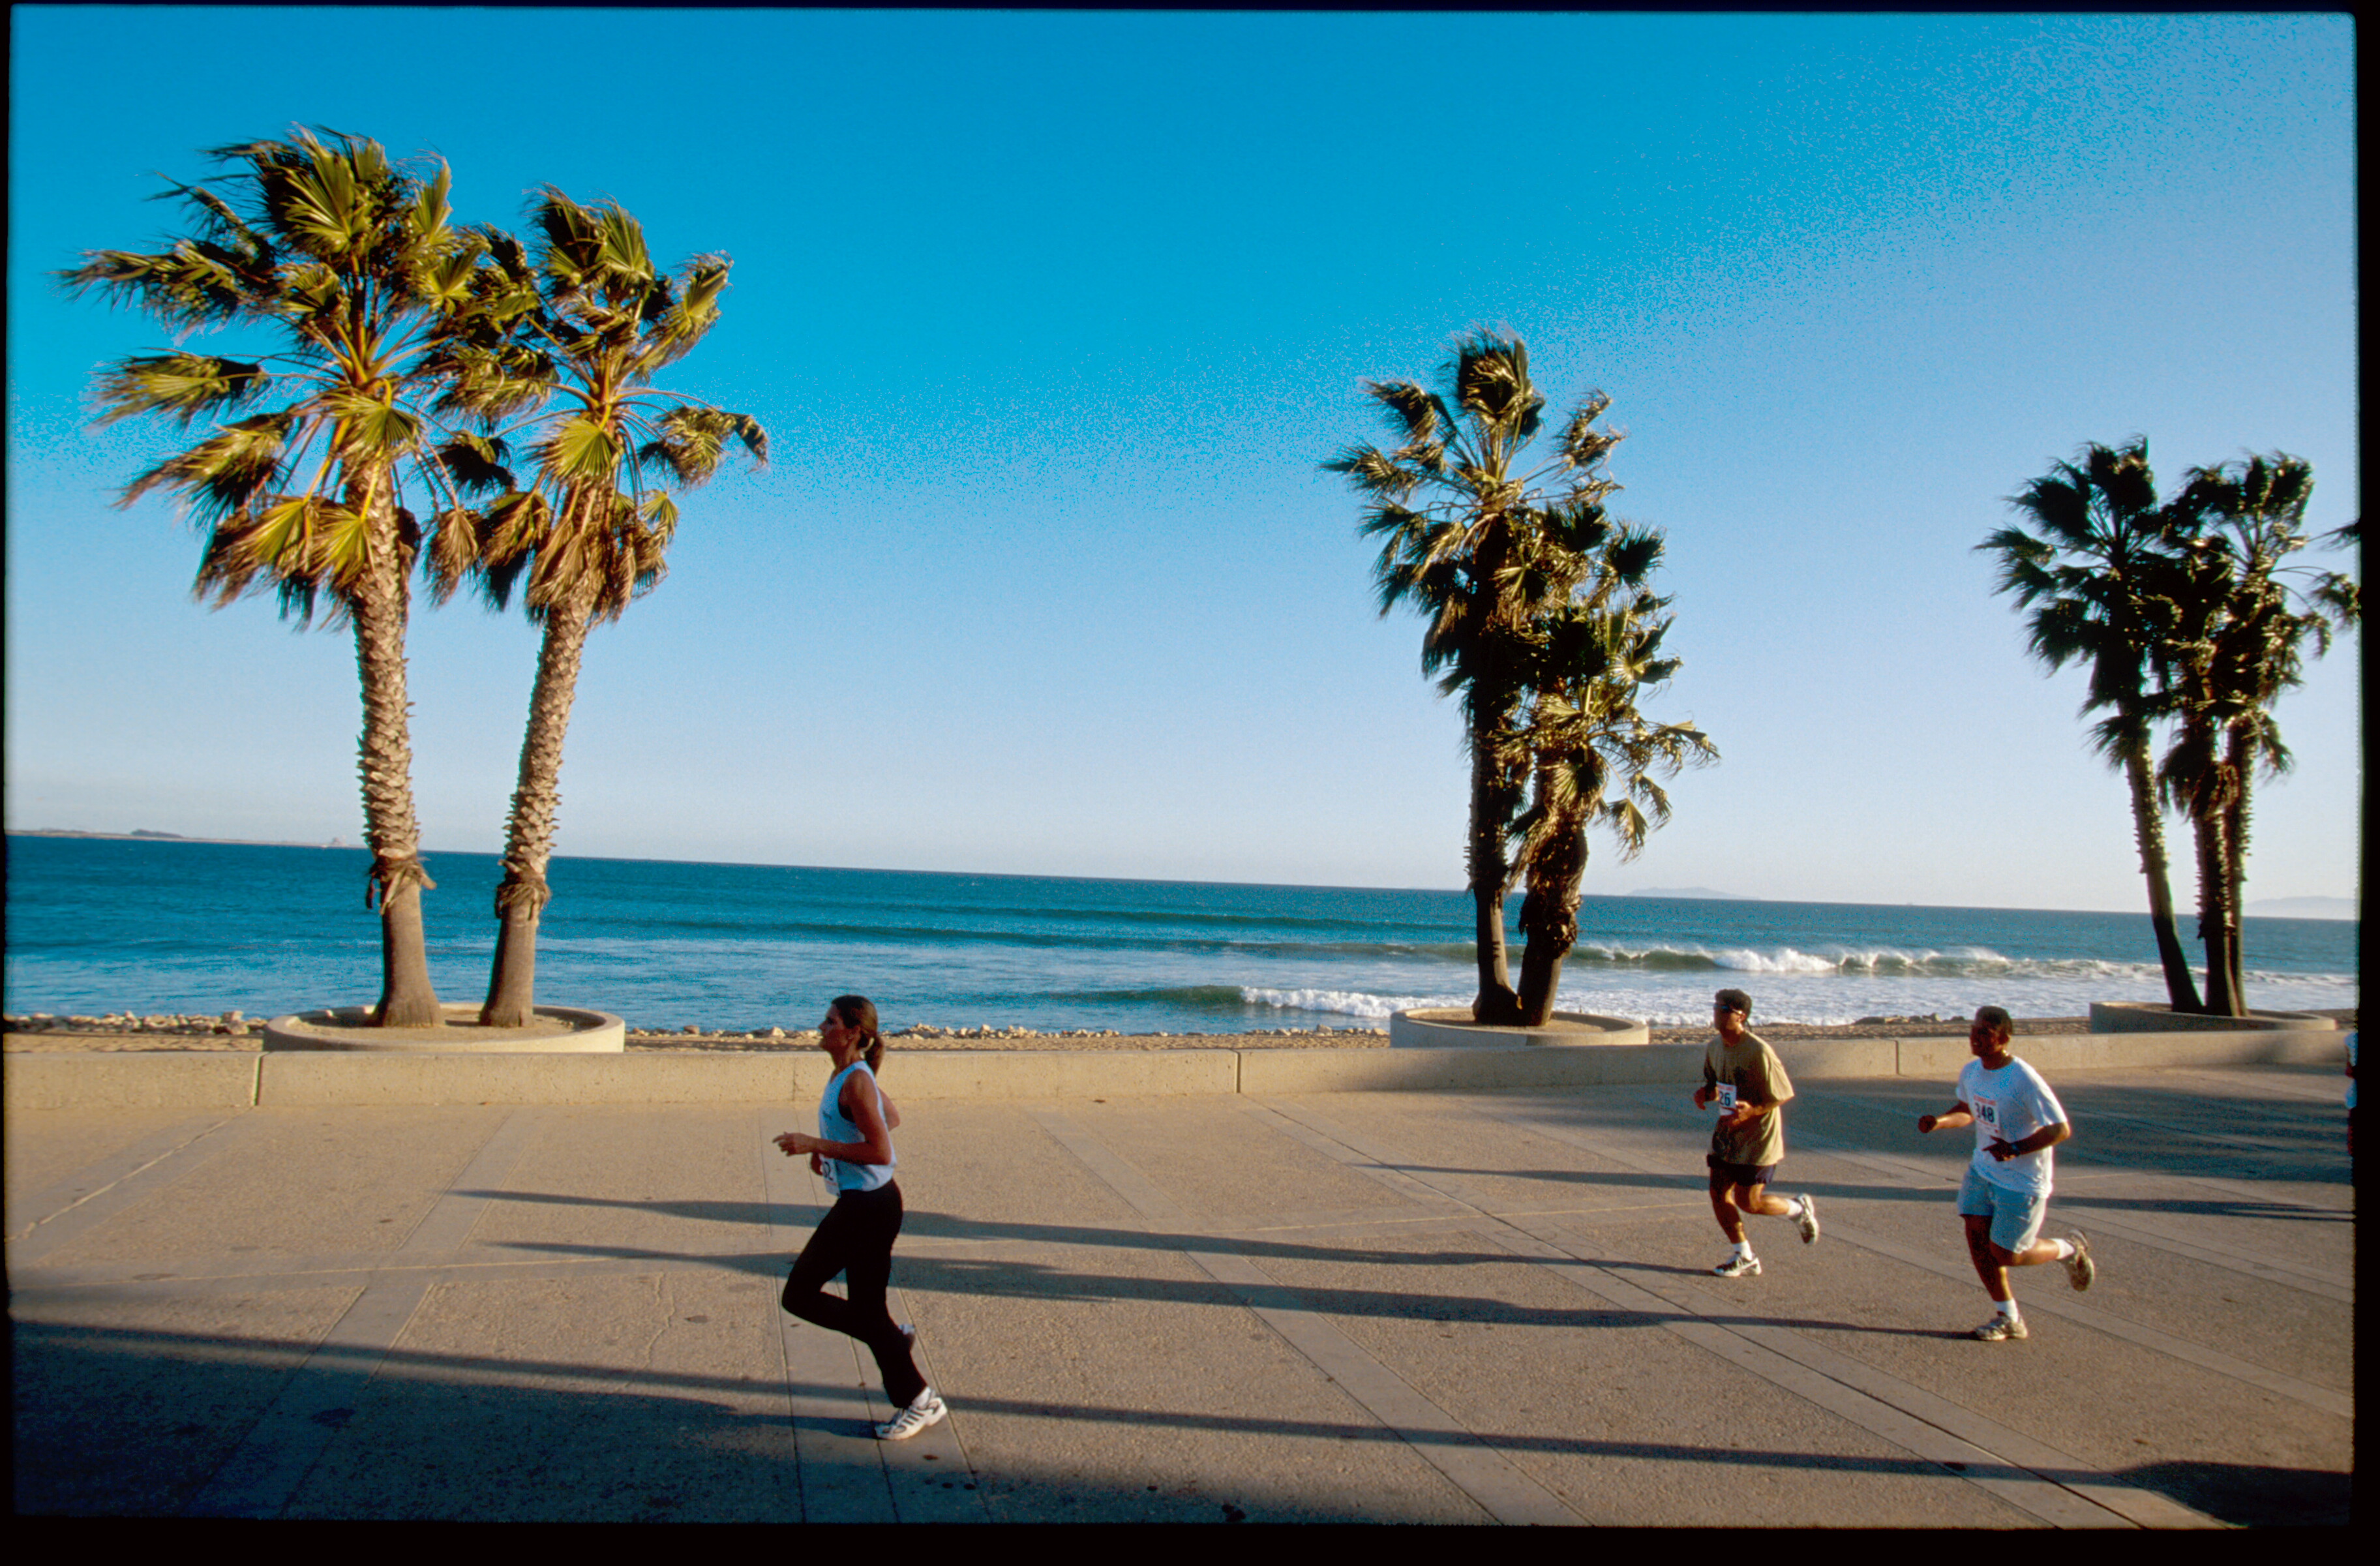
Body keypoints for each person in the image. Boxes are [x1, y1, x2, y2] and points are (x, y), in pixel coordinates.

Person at [774, 994, 946, 1440]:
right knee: (866, 1309)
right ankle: (897, 1354)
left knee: (799, 1295)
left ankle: (917, 1395)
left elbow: (881, 1150)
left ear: (852, 1031)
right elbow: (891, 1116)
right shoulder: (850, 1073)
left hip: (868, 1208)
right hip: (867, 1202)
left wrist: (818, 1145)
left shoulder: (855, 1080)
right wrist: (832, 1155)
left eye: (829, 1021)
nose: (820, 1026)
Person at [1918, 1005, 2094, 1342]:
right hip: (1983, 1172)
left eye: (1984, 1033)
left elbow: (2060, 1130)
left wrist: (2015, 1148)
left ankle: (2070, 1249)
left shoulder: (2023, 1078)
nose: (1975, 1038)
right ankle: (2008, 1317)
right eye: (1973, 1031)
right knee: (1976, 1234)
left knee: (2008, 1254)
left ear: (2004, 1039)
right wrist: (1939, 1122)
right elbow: (1967, 1110)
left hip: (2022, 1180)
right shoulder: (1971, 1072)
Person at [1691, 988, 1820, 1277]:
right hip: (1727, 1134)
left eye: (1725, 1009)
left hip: (1758, 1138)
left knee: (1749, 1202)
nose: (1717, 1013)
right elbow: (1715, 1085)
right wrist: (1704, 1094)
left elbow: (1782, 1094)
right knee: (1718, 1192)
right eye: (1716, 1007)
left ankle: (1797, 1209)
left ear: (1742, 1016)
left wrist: (1752, 1111)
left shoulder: (1758, 1050)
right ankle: (1744, 1254)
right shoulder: (1714, 1047)